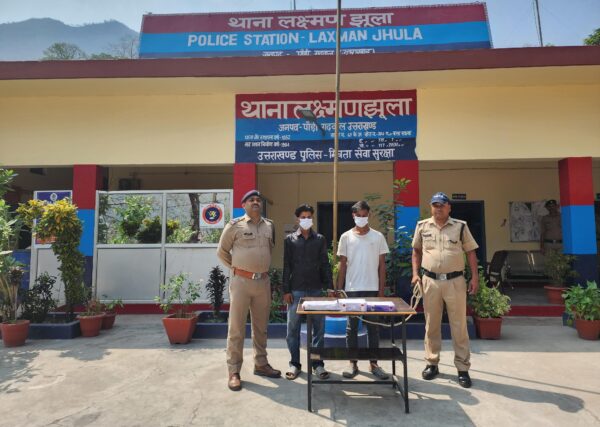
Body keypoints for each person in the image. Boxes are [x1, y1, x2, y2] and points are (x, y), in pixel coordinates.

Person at [411, 192, 479, 388]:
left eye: (441, 205)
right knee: (431, 324)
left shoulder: (460, 226)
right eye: (435, 205)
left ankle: (462, 368)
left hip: (455, 281)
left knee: (459, 325)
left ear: (449, 207)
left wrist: (474, 277)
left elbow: (471, 252)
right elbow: (416, 251)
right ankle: (432, 363)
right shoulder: (422, 226)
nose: (438, 208)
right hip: (430, 281)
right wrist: (415, 274)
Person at [217, 189, 281, 391]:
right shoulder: (234, 225)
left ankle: (261, 363)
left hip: (263, 282)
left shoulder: (269, 225)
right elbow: (222, 251)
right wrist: (238, 268)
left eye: (258, 200)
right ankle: (234, 371)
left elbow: (269, 250)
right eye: (251, 200)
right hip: (241, 283)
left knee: (261, 327)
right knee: (236, 328)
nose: (255, 202)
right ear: (243, 204)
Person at [335, 200, 390, 380]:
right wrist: (339, 289)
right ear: (353, 216)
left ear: (369, 215)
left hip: (372, 289)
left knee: (373, 328)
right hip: (351, 290)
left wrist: (381, 292)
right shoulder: (346, 237)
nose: (361, 218)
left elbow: (382, 266)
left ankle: (374, 363)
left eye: (364, 215)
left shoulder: (378, 237)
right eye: (358, 215)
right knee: (351, 328)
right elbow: (342, 265)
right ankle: (353, 362)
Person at [282, 204, 332, 380]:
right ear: (297, 219)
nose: (306, 219)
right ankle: (295, 364)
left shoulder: (320, 239)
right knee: (292, 329)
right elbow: (286, 266)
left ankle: (317, 364)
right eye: (303, 217)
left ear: (312, 218)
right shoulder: (290, 240)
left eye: (309, 217)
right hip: (295, 290)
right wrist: (286, 290)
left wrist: (329, 287)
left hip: (315, 290)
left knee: (319, 328)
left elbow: (325, 263)